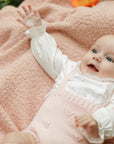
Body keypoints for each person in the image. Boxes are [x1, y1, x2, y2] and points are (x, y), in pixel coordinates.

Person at [1, 5, 114, 144]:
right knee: (13, 139)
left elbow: (112, 115)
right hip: (33, 137)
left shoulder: (110, 92)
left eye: (109, 59)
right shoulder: (71, 70)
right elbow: (51, 56)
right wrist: (37, 31)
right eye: (94, 51)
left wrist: (98, 124)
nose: (97, 57)